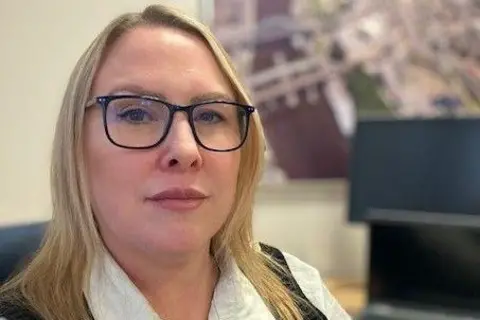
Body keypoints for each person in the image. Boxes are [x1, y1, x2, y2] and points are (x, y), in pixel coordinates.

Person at [0, 4, 351, 320]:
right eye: (136, 113)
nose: (185, 150)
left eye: (211, 116)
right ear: (75, 147)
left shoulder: (300, 290)